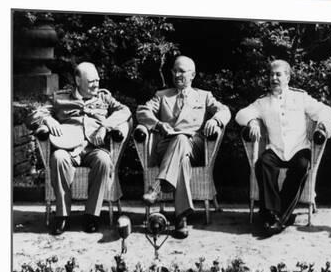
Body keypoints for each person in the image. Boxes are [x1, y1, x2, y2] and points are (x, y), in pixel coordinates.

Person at [29, 62, 131, 235]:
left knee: (104, 160)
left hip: (94, 148)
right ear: (78, 80)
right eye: (91, 81)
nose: (96, 84)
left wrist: (106, 125)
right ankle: (62, 216)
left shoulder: (104, 97)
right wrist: (48, 120)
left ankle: (92, 215)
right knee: (58, 158)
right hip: (68, 148)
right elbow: (33, 115)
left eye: (97, 80)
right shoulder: (60, 98)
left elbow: (125, 111)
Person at [136, 55, 231, 239]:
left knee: (182, 140)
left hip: (195, 145)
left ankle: (156, 187)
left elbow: (225, 110)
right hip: (167, 146)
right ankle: (181, 218)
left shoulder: (203, 96)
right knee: (182, 158)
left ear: (193, 74)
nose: (177, 74)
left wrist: (215, 119)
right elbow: (142, 111)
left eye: (182, 71)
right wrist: (158, 124)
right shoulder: (162, 96)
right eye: (174, 71)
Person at [235, 59, 331, 235]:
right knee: (263, 164)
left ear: (287, 77)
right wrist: (252, 122)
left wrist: (322, 126)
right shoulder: (263, 102)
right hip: (276, 150)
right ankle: (275, 215)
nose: (274, 78)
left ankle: (276, 216)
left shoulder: (300, 97)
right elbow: (241, 114)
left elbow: (325, 110)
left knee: (302, 165)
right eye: (271, 74)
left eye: (278, 74)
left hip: (298, 148)